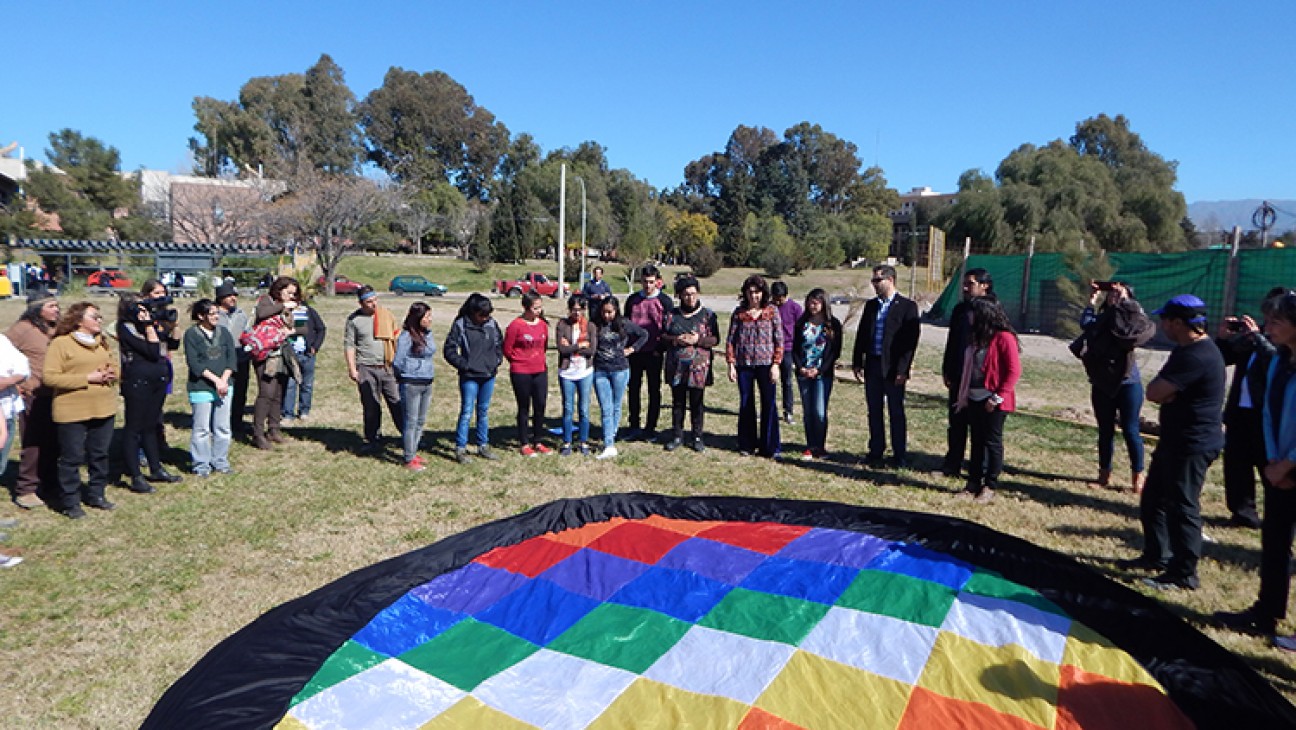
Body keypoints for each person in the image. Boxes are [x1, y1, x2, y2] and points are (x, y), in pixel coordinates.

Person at [1118, 294, 1225, 591]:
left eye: (1165, 319)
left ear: (1178, 322)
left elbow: (1154, 392)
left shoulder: (1197, 355)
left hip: (1193, 443)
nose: (1162, 324)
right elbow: (1162, 391)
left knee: (1182, 507)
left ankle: (1184, 574)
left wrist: (1168, 392)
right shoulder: (1186, 350)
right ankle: (1157, 557)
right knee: (1154, 501)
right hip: (1175, 439)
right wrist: (1169, 392)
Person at [1214, 291, 1296, 639]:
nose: (1269, 326)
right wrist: (1274, 459)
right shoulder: (1278, 360)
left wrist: (1290, 464)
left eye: (1277, 321)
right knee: (1274, 543)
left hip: (1290, 468)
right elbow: (1268, 412)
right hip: (1278, 468)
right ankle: (1266, 611)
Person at [1072, 281, 1155, 493]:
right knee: (1105, 430)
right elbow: (1086, 324)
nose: (1113, 296)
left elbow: (1134, 328)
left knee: (1131, 430)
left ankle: (1138, 477)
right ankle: (1103, 475)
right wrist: (1092, 300)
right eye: (1111, 293)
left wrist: (1125, 302)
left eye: (1119, 293)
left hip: (1128, 383)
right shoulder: (1103, 320)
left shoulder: (1130, 320)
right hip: (1102, 383)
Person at [1214, 288, 1285, 528]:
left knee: (1268, 465)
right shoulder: (1257, 337)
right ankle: (1243, 514)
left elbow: (1276, 360)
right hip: (1240, 412)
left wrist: (1257, 337)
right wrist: (1224, 338)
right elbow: (1224, 358)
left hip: (1266, 415)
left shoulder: (1282, 341)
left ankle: (1277, 515)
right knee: (1236, 465)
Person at [44, 303, 117, 519]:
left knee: (100, 454)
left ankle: (96, 494)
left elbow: (114, 364)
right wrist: (87, 378)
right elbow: (50, 377)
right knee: (72, 457)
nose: (100, 320)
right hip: (72, 410)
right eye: (95, 317)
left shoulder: (101, 342)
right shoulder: (61, 344)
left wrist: (113, 373)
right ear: (79, 320)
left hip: (103, 407)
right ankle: (71, 502)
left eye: (100, 316)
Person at [953, 297, 1021, 503]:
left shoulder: (1004, 338)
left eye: (973, 313)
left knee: (992, 442)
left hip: (994, 401)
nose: (969, 317)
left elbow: (1013, 371)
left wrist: (997, 397)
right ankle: (972, 482)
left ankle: (990, 485)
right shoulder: (976, 338)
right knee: (976, 442)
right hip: (973, 398)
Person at [852, 265, 920, 468]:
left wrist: (903, 370)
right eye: (873, 281)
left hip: (892, 367)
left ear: (890, 280)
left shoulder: (907, 306)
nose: (874, 285)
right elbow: (862, 334)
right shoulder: (871, 306)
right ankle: (876, 451)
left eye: (877, 280)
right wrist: (857, 361)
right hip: (873, 363)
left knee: (896, 411)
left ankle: (899, 454)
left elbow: (910, 342)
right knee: (874, 410)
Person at [117, 294, 183, 493]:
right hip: (137, 382)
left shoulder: (150, 325)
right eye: (140, 308)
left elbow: (171, 345)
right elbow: (153, 350)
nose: (144, 312)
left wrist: (172, 325)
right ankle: (136, 476)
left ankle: (156, 468)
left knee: (150, 426)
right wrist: (148, 326)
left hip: (157, 381)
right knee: (134, 428)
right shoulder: (126, 327)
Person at [7, 289, 59, 509]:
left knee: (55, 442)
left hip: (56, 393)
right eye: (51, 306)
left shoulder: (57, 329)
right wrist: (16, 384)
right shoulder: (21, 330)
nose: (56, 310)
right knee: (33, 443)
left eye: (57, 305)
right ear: (37, 309)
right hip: (32, 395)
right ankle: (26, 488)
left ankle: (50, 483)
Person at [939, 269, 994, 477]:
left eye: (969, 284)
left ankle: (982, 469)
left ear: (984, 286)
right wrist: (947, 369)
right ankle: (952, 464)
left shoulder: (991, 310)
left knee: (982, 429)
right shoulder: (960, 310)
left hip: (981, 380)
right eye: (964, 284)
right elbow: (953, 342)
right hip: (958, 376)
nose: (964, 288)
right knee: (956, 423)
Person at [727, 275, 783, 459]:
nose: (753, 296)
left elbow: (779, 340)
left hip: (766, 365)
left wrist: (776, 364)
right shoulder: (739, 313)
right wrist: (731, 364)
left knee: (769, 404)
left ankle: (770, 446)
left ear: (763, 293)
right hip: (744, 365)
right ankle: (747, 443)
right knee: (746, 403)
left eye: (757, 292)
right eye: (750, 292)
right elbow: (731, 340)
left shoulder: (772, 311)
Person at [444, 293, 504, 463]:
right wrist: (464, 365)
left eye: (488, 315)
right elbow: (449, 350)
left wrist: (496, 361)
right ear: (472, 312)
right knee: (467, 411)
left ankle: (482, 445)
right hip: (469, 376)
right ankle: (460, 448)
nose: (485, 318)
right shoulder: (460, 325)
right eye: (482, 315)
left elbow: (500, 344)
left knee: (483, 411)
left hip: (488, 374)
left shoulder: (492, 324)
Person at [661, 276, 719, 453]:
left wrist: (698, 339)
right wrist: (676, 340)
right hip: (677, 366)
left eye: (693, 294)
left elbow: (715, 339)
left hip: (699, 368)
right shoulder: (671, 315)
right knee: (678, 402)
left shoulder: (708, 315)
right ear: (679, 295)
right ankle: (677, 435)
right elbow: (662, 337)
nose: (690, 298)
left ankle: (697, 436)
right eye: (686, 294)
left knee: (697, 402)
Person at [344, 286, 403, 455]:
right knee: (371, 406)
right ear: (361, 303)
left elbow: (397, 338)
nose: (374, 304)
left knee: (396, 402)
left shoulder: (386, 315)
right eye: (369, 302)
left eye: (375, 300)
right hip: (366, 367)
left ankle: (407, 436)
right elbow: (349, 345)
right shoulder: (354, 320)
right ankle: (372, 439)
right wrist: (352, 369)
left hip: (387, 367)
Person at [184, 299, 237, 477]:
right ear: (201, 316)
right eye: (212, 313)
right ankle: (201, 465)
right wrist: (215, 381)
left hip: (224, 386)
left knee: (222, 427)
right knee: (201, 429)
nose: (216, 317)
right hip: (201, 387)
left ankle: (220, 461)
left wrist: (224, 380)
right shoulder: (192, 335)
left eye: (217, 313)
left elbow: (231, 359)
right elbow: (195, 364)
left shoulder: (225, 333)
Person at [592, 296, 648, 460]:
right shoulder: (596, 324)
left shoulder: (623, 323)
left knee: (616, 406)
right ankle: (609, 443)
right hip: (600, 370)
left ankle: (611, 436)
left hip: (620, 370)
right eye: (604, 312)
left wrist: (632, 349)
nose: (606, 315)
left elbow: (643, 334)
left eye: (610, 312)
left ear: (616, 311)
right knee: (605, 407)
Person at [251, 277, 302, 451]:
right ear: (279, 289)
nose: (291, 296)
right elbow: (261, 314)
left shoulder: (291, 307)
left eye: (293, 294)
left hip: (282, 352)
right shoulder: (266, 301)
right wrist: (282, 306)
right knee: (266, 393)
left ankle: (274, 429)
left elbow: (301, 327)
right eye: (288, 292)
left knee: (278, 393)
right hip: (265, 354)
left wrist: (290, 330)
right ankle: (258, 433)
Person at [792, 288, 843, 460]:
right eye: (810, 302)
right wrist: (801, 368)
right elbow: (794, 349)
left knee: (819, 411)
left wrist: (820, 370)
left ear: (824, 303)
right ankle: (810, 445)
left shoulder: (833, 325)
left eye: (816, 302)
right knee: (808, 411)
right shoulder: (801, 323)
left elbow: (835, 352)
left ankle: (820, 446)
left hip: (823, 374)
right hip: (804, 373)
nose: (812, 305)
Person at [623, 265, 672, 442]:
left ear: (657, 281)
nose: (648, 285)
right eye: (645, 282)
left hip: (654, 353)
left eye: (651, 282)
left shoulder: (665, 301)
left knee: (654, 390)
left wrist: (662, 347)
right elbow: (626, 325)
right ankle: (633, 425)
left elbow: (668, 326)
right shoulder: (632, 300)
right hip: (635, 351)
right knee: (633, 389)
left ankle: (651, 427)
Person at [504, 292, 552, 456]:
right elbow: (507, 350)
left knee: (540, 406)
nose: (538, 311)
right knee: (524, 407)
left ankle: (538, 440)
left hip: (540, 371)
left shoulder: (543, 325)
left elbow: (544, 346)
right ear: (526, 307)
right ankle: (524, 442)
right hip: (521, 372)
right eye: (535, 308)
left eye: (540, 307)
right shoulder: (515, 325)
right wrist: (520, 362)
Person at [392, 302, 437, 471]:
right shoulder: (405, 337)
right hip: (411, 383)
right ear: (418, 318)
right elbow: (398, 361)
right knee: (410, 421)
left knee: (420, 420)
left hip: (427, 381)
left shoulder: (428, 334)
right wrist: (405, 374)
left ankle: (414, 450)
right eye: (427, 316)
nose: (430, 319)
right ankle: (408, 458)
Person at [555, 295, 596, 456]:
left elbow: (592, 350)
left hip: (584, 371)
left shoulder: (590, 326)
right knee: (567, 407)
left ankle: (583, 442)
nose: (577, 313)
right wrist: (579, 345)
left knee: (584, 409)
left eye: (580, 310)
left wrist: (571, 347)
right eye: (574, 310)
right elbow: (561, 349)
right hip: (567, 372)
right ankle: (567, 442)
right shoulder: (562, 325)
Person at [282, 291, 326, 422]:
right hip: (291, 354)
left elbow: (321, 328)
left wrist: (315, 346)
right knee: (290, 384)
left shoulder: (309, 312)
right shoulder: (284, 313)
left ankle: (304, 411)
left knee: (307, 384)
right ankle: (287, 413)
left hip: (307, 354)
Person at [214, 282, 251, 435]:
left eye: (234, 295)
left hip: (240, 354)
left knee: (240, 390)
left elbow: (247, 332)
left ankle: (237, 421)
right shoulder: (214, 314)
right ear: (220, 298)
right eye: (229, 296)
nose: (233, 298)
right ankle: (218, 421)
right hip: (220, 355)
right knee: (222, 389)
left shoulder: (241, 314)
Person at [772, 281, 803, 425]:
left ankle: (788, 411)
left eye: (780, 299)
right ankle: (770, 409)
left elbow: (801, 329)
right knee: (769, 380)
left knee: (787, 381)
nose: (778, 302)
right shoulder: (770, 307)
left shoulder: (795, 308)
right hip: (770, 348)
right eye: (775, 298)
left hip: (788, 349)